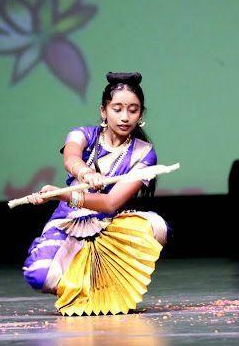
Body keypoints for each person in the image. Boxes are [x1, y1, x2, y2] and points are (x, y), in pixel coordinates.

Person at [23, 71, 168, 316]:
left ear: (141, 114)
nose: (125, 117)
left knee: (156, 226)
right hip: (69, 220)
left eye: (133, 110)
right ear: (103, 111)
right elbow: (71, 157)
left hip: (109, 226)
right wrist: (85, 172)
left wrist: (63, 195)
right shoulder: (82, 134)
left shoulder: (144, 153)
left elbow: (111, 203)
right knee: (40, 275)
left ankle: (103, 286)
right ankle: (90, 289)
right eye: (117, 109)